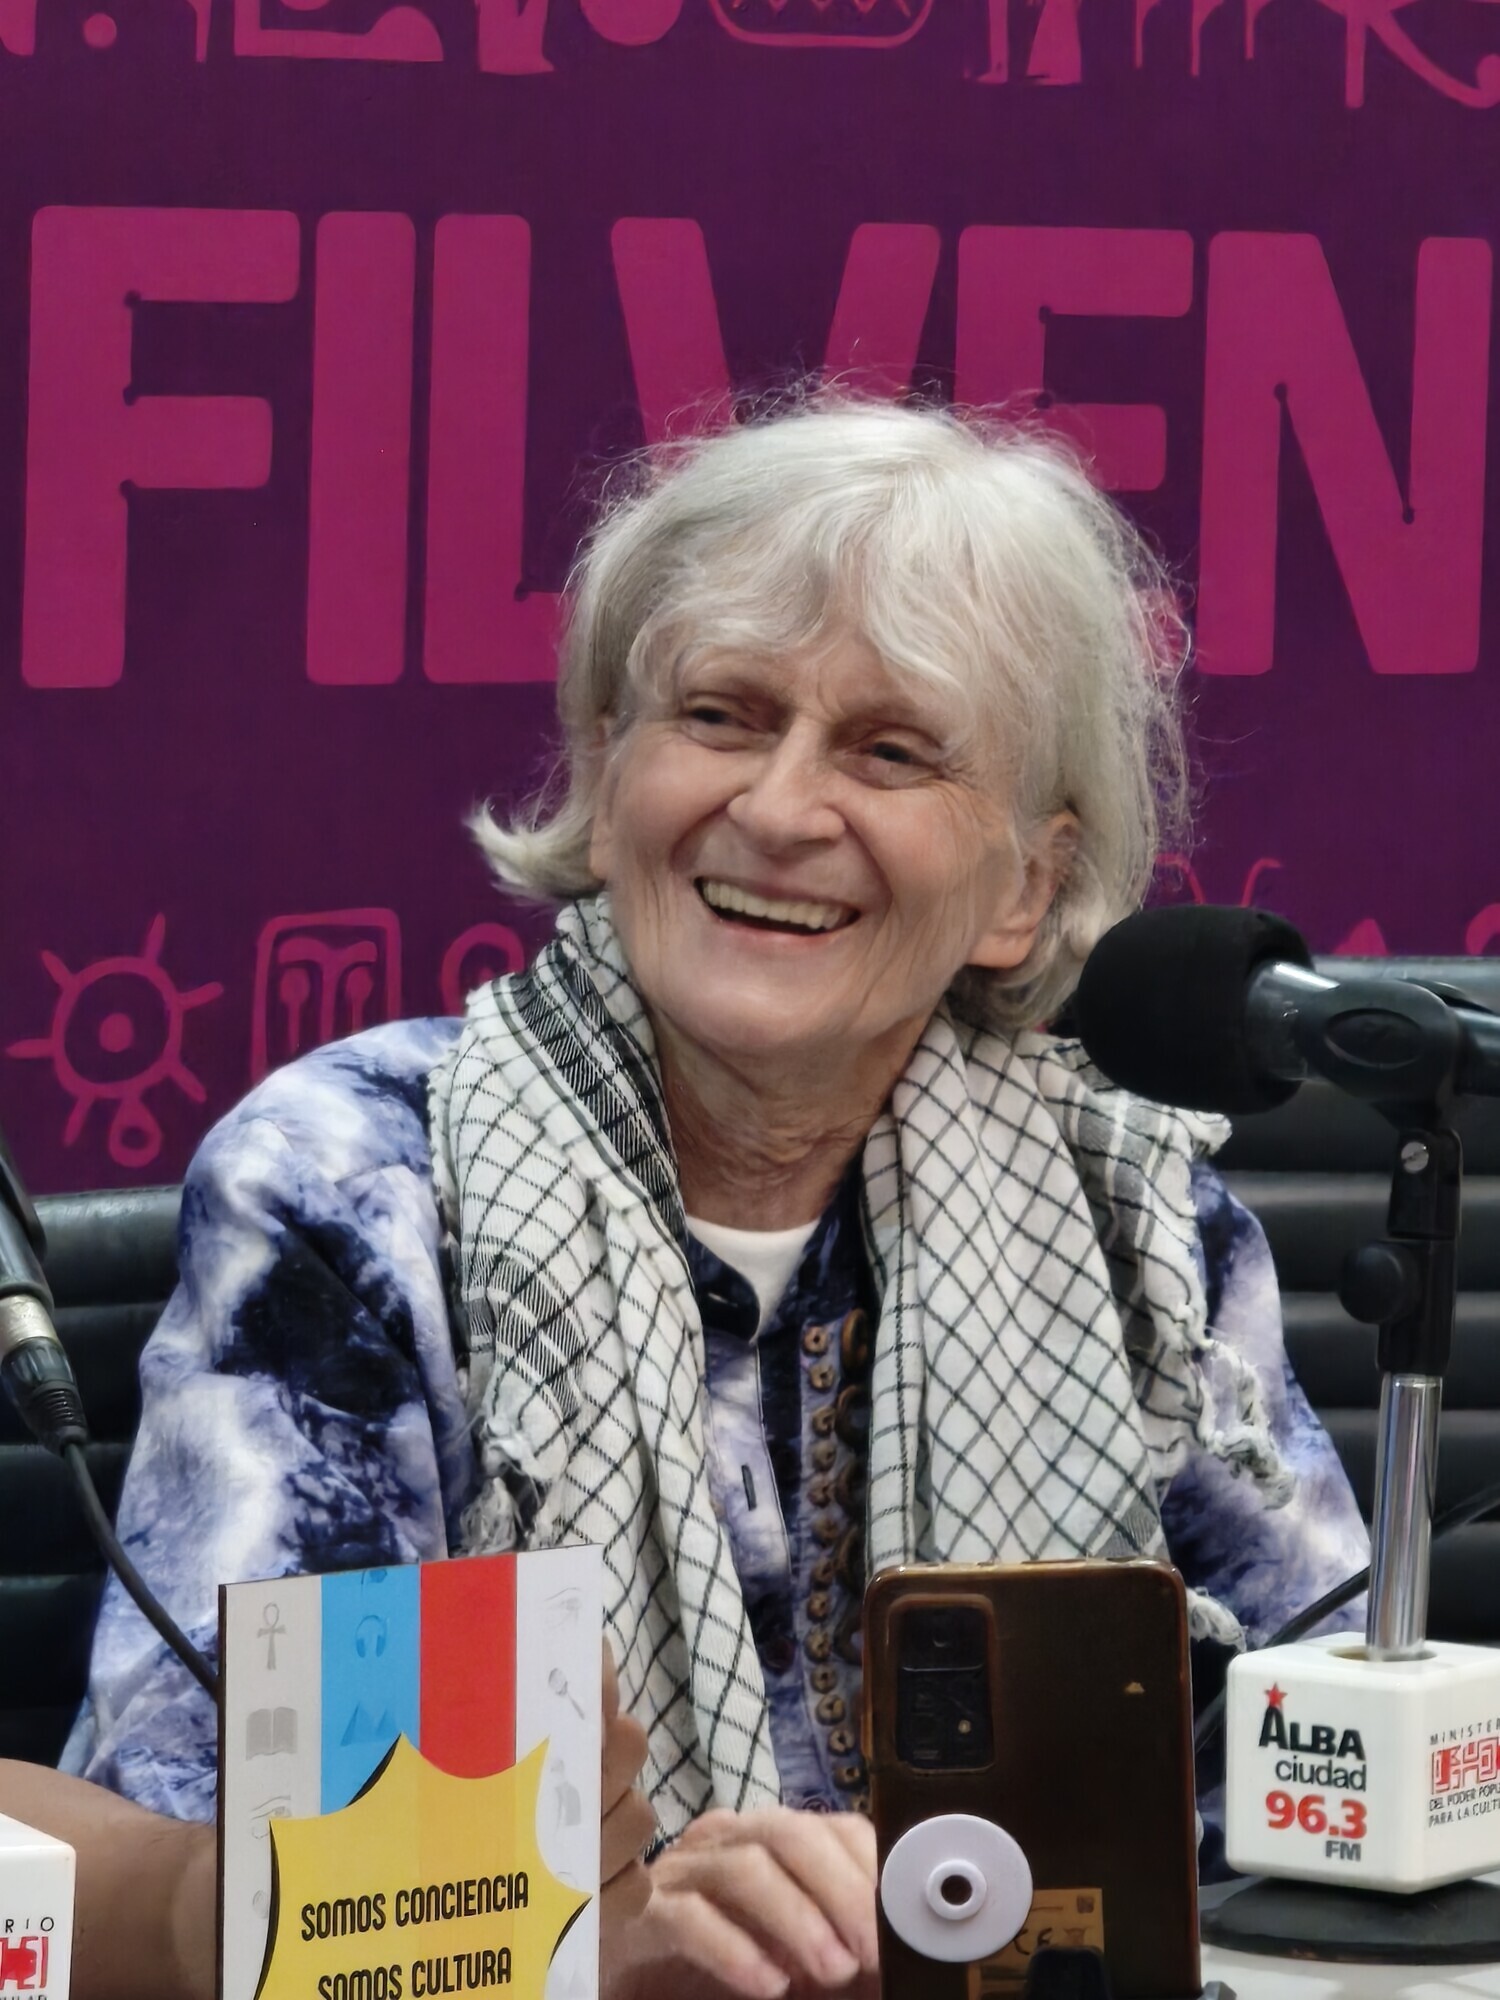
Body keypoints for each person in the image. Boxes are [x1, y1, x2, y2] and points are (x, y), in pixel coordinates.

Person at [64, 397, 1369, 2000]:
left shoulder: (1134, 1211)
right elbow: (221, 1848)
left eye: (890, 751)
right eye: (723, 717)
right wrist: (610, 1938)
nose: (778, 809)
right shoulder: (357, 1186)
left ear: (1023, 891)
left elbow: (1320, 1777)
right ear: (608, 768)